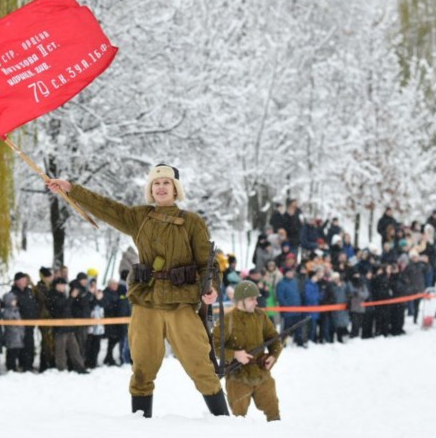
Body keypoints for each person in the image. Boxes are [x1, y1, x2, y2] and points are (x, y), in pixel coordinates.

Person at [48, 163, 227, 417]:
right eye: (156, 183)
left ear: (176, 189)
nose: (161, 188)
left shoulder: (192, 222)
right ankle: (140, 426)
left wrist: (213, 289)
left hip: (181, 305)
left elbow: (207, 265)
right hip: (147, 303)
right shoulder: (139, 217)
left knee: (202, 367)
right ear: (150, 189)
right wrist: (71, 190)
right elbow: (106, 207)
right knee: (142, 369)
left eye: (166, 183)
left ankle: (224, 422)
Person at [212, 281, 282, 421]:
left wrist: (274, 355)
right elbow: (214, 346)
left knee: (274, 415)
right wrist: (235, 355)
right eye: (252, 299)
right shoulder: (227, 320)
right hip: (237, 378)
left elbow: (274, 338)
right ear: (240, 300)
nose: (256, 302)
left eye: (256, 298)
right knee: (238, 419)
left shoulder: (260, 316)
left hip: (262, 374)